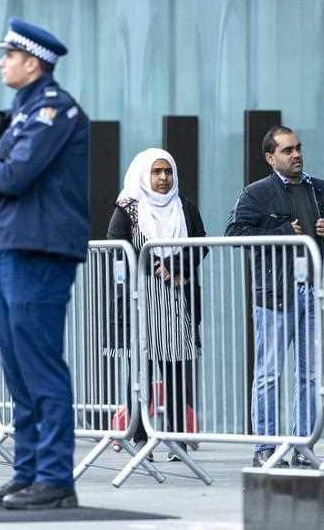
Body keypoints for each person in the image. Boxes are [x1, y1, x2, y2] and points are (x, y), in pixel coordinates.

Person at [0, 17, 89, 509]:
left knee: (38, 361)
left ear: (33, 62)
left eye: (9, 54)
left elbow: (16, 175)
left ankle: (54, 476)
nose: (1, 61)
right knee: (15, 364)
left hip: (40, 247)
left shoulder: (53, 111)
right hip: (13, 244)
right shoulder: (23, 111)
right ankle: (28, 471)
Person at [225, 125, 324, 467]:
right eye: (287, 150)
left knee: (310, 374)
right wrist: (280, 232)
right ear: (270, 158)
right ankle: (264, 447)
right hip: (275, 294)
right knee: (269, 372)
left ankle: (303, 444)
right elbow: (234, 233)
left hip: (314, 291)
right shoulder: (256, 193)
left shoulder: (319, 188)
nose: (296, 154)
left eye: (298, 148)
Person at [105, 148, 206, 463]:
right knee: (141, 369)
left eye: (168, 171)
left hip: (176, 295)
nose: (163, 178)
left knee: (176, 367)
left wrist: (178, 272)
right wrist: (152, 267)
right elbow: (116, 248)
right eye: (156, 172)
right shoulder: (127, 209)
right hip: (141, 296)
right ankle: (139, 436)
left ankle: (175, 439)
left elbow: (201, 244)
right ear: (143, 175)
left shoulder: (184, 207)